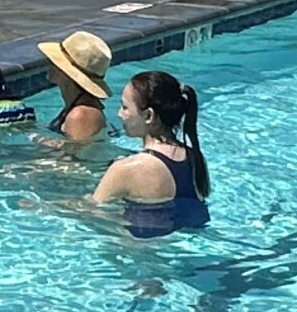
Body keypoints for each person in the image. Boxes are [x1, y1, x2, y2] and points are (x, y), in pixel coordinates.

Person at [89, 70, 209, 236]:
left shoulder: (125, 169)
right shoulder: (195, 158)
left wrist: (47, 206)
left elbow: (91, 211)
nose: (119, 114)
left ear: (148, 115)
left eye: (124, 107)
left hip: (138, 254)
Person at [38, 29, 114, 144]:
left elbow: (76, 158)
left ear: (68, 74)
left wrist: (37, 139)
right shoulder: (76, 106)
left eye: (54, 61)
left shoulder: (81, 115)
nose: (49, 62)